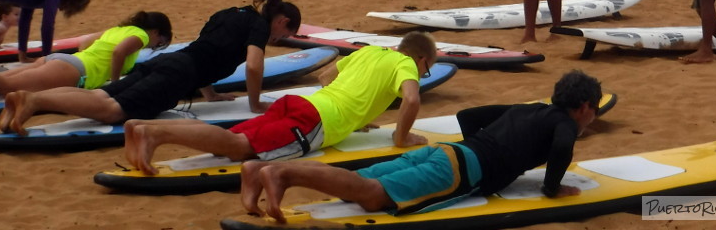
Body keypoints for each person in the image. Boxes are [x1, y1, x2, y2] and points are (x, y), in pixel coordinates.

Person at [240, 70, 602, 222]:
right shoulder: (563, 123)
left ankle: (257, 169)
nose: (593, 118)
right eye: (594, 112)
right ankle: (282, 173)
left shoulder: (530, 110)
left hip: (447, 153)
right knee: (370, 195)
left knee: (357, 183)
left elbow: (469, 115)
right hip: (458, 170)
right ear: (583, 107)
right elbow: (562, 146)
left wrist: (491, 147)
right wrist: (552, 187)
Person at [122, 31, 438, 175]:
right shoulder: (406, 64)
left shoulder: (369, 51)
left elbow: (326, 77)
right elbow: (411, 100)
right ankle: (155, 134)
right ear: (420, 58)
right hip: (316, 123)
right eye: (428, 69)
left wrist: (358, 113)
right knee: (237, 147)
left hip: (300, 105)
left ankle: (145, 127)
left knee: (230, 144)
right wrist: (401, 137)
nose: (424, 74)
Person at [0, 0, 300, 136]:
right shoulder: (259, 26)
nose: (278, 40)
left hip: (170, 61)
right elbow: (253, 66)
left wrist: (210, 95)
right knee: (114, 112)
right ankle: (32, 102)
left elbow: (207, 50)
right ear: (282, 20)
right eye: (283, 35)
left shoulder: (231, 12)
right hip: (177, 74)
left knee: (101, 95)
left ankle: (30, 99)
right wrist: (255, 103)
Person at [0, 11, 173, 104]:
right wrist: (115, 80)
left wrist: (90, 57)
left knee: (1, 81)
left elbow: (85, 41)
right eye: (160, 41)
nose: (155, 44)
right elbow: (119, 53)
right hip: (75, 70)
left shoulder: (118, 29)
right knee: (5, 87)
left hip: (65, 61)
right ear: (155, 31)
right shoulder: (139, 35)